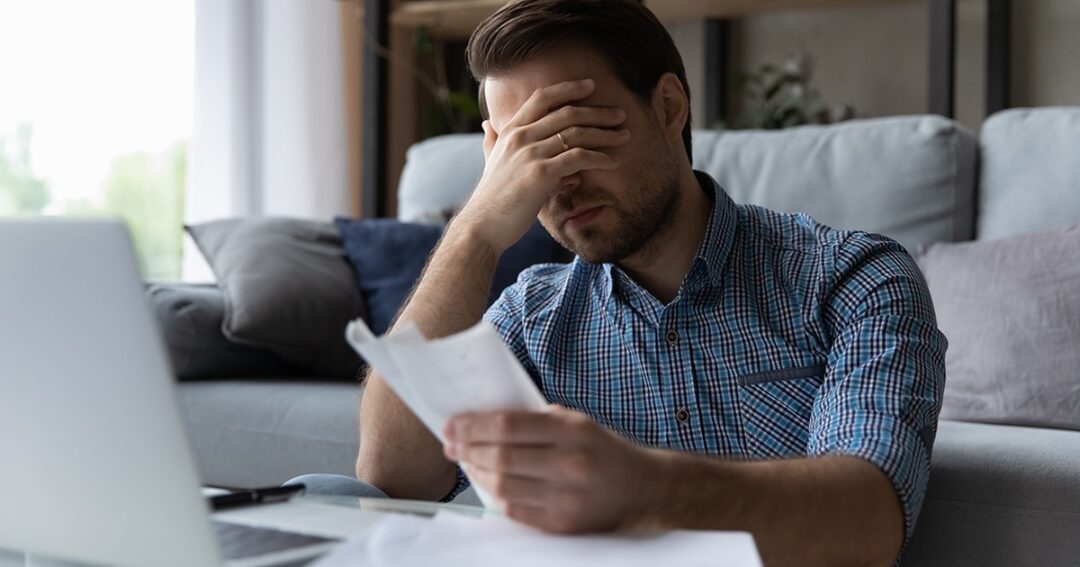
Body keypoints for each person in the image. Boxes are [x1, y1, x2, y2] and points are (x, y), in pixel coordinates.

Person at [304, 1, 947, 565]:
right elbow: (392, 477)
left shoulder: (851, 280)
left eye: (574, 135)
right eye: (525, 155)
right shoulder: (535, 315)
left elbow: (870, 521)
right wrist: (476, 227)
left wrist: (643, 489)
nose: (557, 182)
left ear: (668, 106)